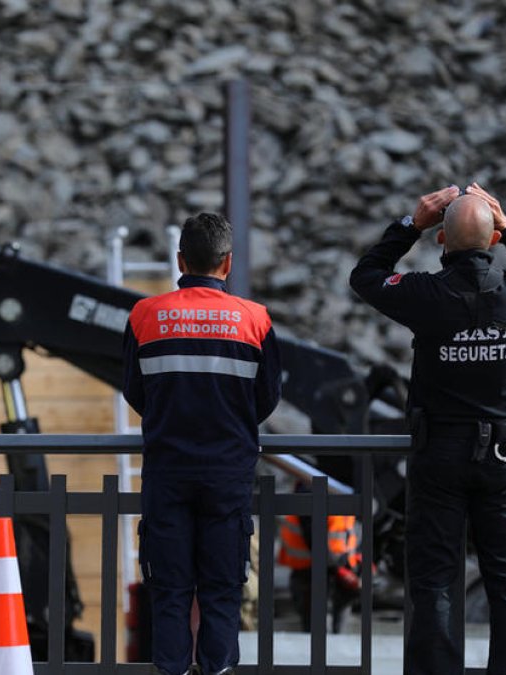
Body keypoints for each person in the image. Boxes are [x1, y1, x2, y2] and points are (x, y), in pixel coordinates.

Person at [349, 183, 506, 674]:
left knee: (435, 581)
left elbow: (365, 276)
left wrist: (410, 224)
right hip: (505, 458)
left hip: (439, 455)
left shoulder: (425, 293)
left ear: (441, 240)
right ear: (492, 243)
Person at [123, 212, 282, 675]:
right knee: (222, 587)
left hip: (167, 471)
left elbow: (136, 390)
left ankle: (170, 669)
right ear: (227, 263)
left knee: (169, 590)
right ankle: (216, 668)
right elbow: (267, 397)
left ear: (179, 260)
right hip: (227, 472)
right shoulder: (256, 320)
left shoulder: (145, 315)